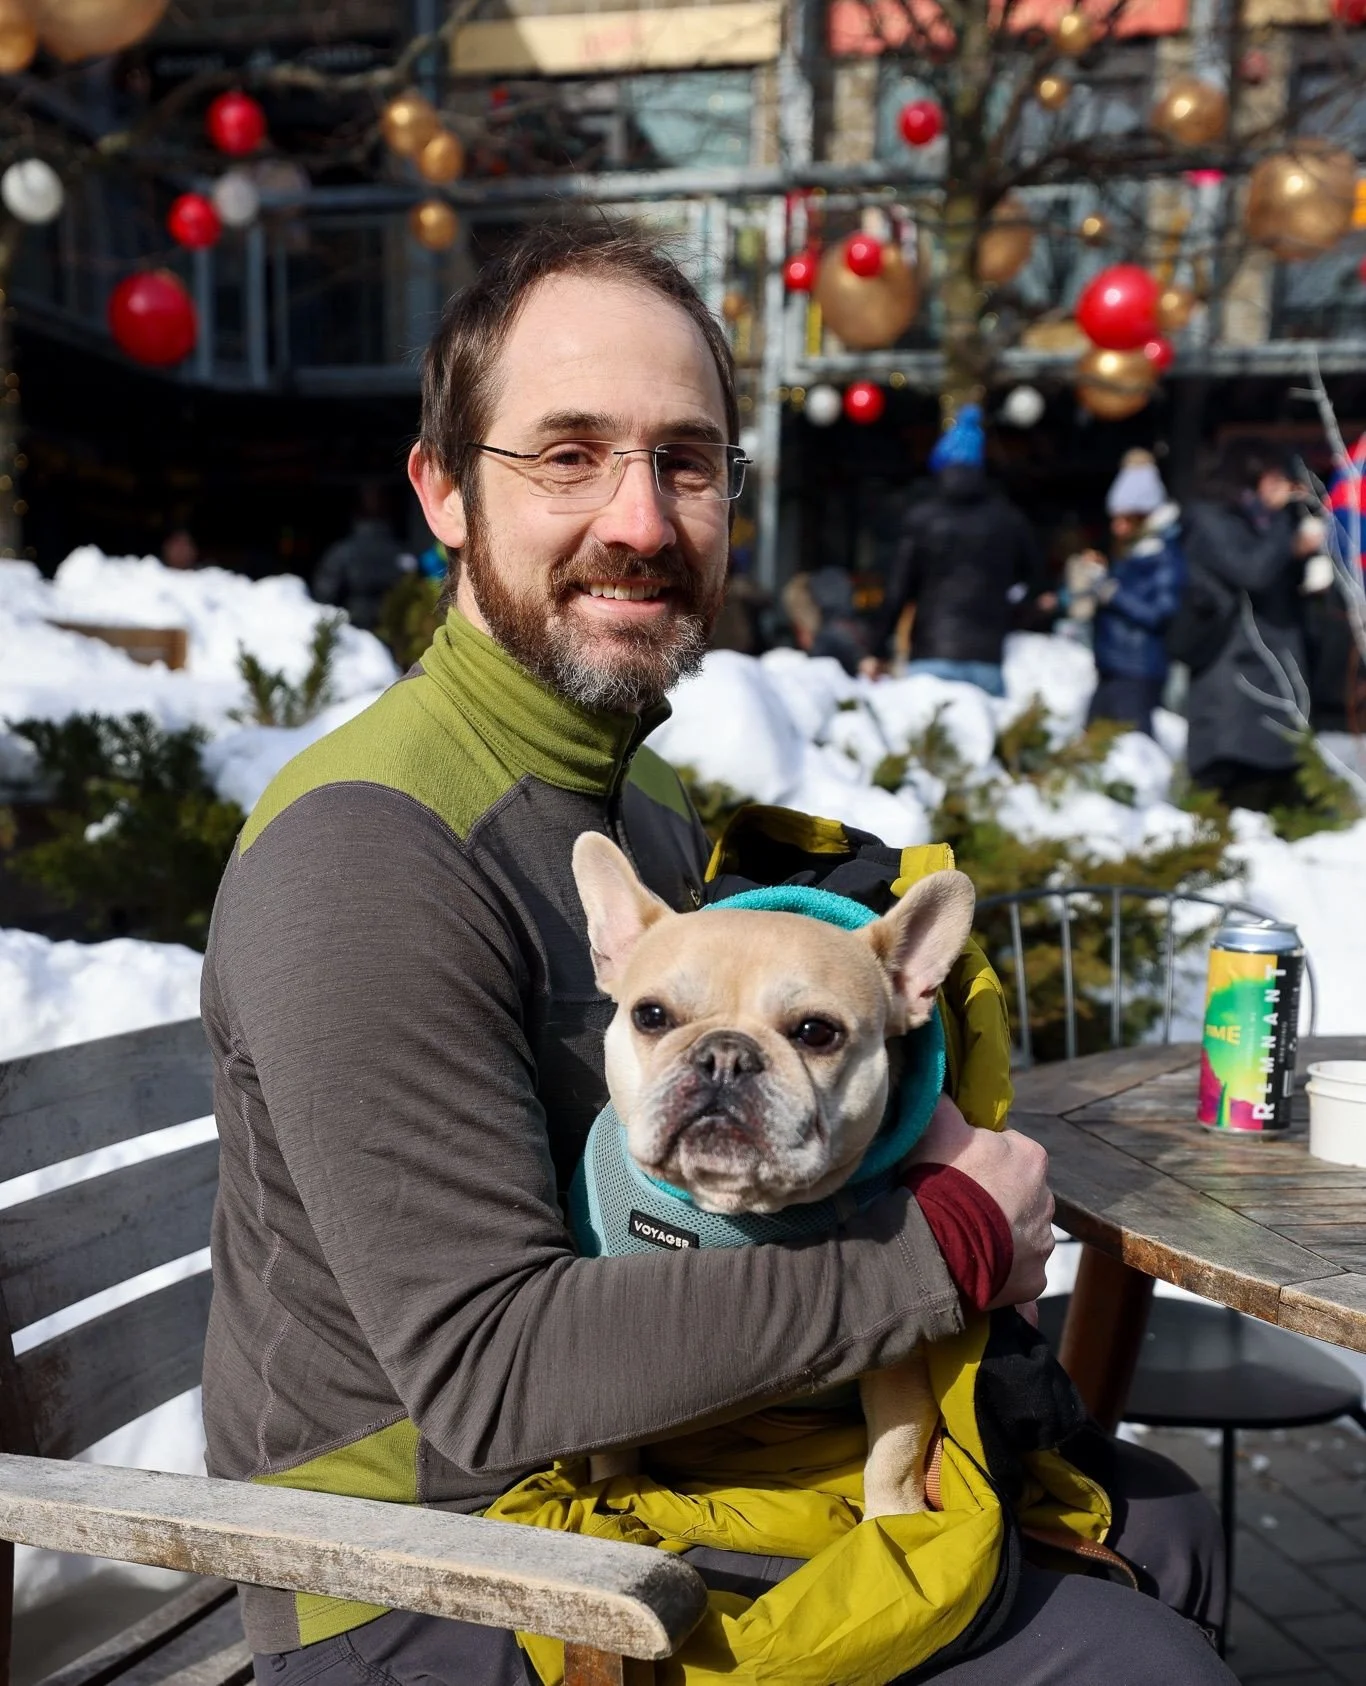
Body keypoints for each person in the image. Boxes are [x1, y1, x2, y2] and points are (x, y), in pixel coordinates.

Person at [200, 221, 1232, 1686]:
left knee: (1163, 1522)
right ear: (439, 488)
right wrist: (937, 1248)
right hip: (426, 1563)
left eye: (685, 461)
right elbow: (494, 1377)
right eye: (567, 455)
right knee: (1140, 1664)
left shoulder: (640, 798)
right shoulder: (366, 855)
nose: (637, 516)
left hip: (655, 1455)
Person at [867, 404, 1047, 696]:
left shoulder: (921, 518)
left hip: (931, 652)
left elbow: (898, 590)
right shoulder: (1007, 519)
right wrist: (1010, 612)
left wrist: (877, 648)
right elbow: (1035, 584)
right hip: (987, 658)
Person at [1181, 442, 1319, 811]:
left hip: (1271, 657)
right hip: (1232, 663)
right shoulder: (1210, 519)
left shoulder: (1260, 519)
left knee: (1278, 766)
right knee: (1233, 771)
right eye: (1273, 477)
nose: (1280, 487)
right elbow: (1253, 572)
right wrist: (1284, 530)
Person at [1073, 449, 1185, 738]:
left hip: (1138, 668)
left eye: (1122, 519)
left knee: (1134, 751)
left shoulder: (1163, 555)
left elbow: (1161, 611)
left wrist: (1112, 592)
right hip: (1112, 666)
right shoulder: (1132, 554)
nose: (1116, 527)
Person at [312, 482, 408, 629]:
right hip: (395, 634)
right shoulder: (403, 553)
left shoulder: (342, 552)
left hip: (357, 635)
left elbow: (323, 598)